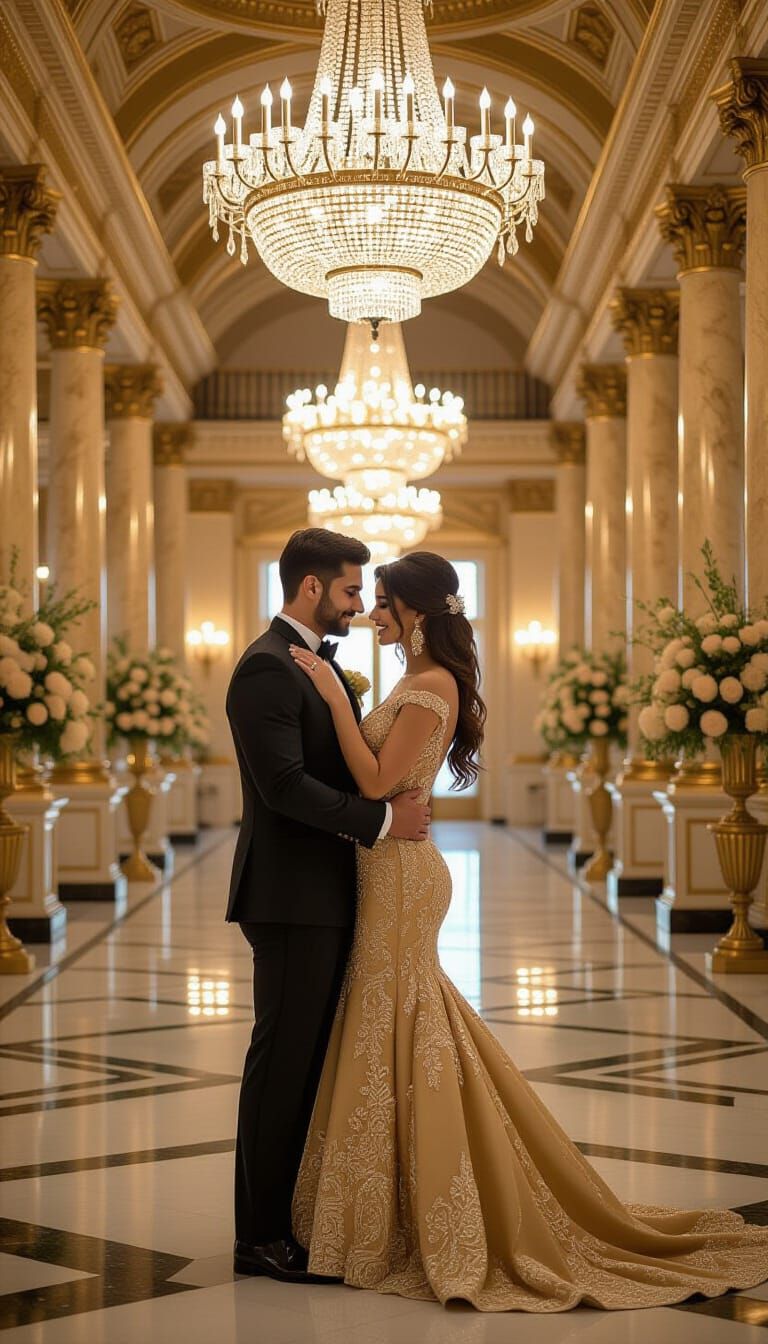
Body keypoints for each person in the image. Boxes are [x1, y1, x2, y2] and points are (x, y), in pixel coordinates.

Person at [288, 549, 768, 1312]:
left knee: (402, 1016)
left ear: (414, 611)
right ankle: (386, 1196)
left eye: (383, 602)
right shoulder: (414, 682)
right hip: (386, 867)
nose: (373, 614)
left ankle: (415, 1199)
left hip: (403, 878)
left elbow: (378, 784)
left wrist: (335, 701)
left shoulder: (431, 685)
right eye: (370, 599)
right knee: (397, 1018)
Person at [226, 528, 431, 1285]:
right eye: (351, 590)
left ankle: (289, 1219)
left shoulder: (307, 665)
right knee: (280, 1063)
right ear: (311, 589)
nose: (358, 604)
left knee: (307, 1060)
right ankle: (259, 1237)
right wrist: (381, 823)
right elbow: (282, 787)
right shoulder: (264, 669)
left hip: (327, 891)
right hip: (290, 897)